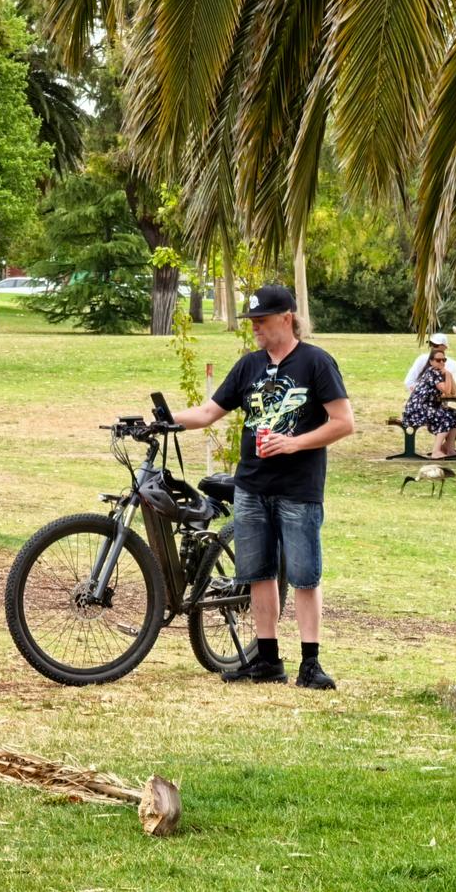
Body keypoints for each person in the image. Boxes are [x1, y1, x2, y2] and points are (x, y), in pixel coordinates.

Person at [172, 284, 354, 689]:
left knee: (305, 576)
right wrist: (163, 420)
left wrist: (293, 443)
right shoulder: (248, 366)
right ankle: (267, 659)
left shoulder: (316, 363)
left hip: (298, 489)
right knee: (258, 574)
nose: (255, 328)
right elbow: (207, 413)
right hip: (251, 486)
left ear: (286, 318)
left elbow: (344, 422)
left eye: (261, 320)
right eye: (251, 321)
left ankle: (311, 662)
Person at [400, 349, 456, 458]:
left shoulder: (439, 372)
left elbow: (454, 391)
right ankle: (436, 451)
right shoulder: (432, 372)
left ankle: (449, 448)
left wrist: (450, 375)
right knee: (446, 417)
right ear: (431, 362)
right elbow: (447, 392)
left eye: (444, 360)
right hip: (418, 408)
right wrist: (447, 375)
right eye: (438, 360)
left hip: (429, 407)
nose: (442, 362)